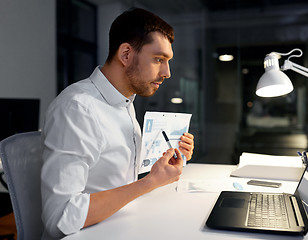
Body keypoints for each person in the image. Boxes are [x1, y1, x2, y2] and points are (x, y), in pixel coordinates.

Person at [41, 8, 194, 239]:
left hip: (122, 225)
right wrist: (149, 183)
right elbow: (60, 218)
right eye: (158, 59)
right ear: (125, 55)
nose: (167, 73)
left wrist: (170, 157)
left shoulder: (124, 102)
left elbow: (117, 172)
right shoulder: (77, 108)